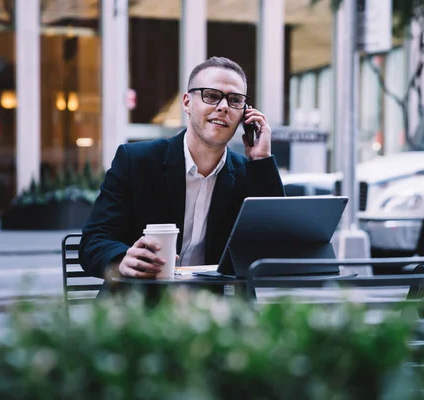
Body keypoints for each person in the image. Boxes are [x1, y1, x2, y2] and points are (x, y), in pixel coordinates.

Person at [80, 57, 285, 280]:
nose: (224, 107)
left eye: (235, 100)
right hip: (142, 304)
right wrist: (122, 260)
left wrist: (262, 159)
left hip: (216, 307)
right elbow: (94, 240)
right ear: (187, 103)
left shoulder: (249, 172)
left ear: (245, 114)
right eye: (212, 96)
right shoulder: (136, 161)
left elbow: (276, 243)